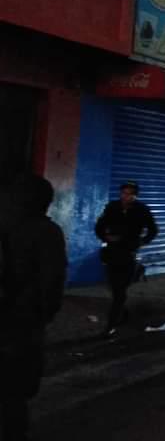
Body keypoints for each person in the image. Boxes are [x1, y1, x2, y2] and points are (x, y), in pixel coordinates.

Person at [0, 174, 67, 441]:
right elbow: (52, 281)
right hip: (21, 322)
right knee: (14, 391)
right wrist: (43, 314)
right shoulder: (46, 231)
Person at [95, 181, 158, 338]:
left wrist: (141, 242)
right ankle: (121, 314)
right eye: (123, 193)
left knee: (120, 288)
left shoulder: (142, 210)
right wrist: (106, 237)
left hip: (128, 253)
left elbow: (153, 230)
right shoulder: (112, 207)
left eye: (130, 194)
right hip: (111, 252)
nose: (126, 196)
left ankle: (111, 324)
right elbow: (99, 226)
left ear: (135, 195)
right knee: (115, 288)